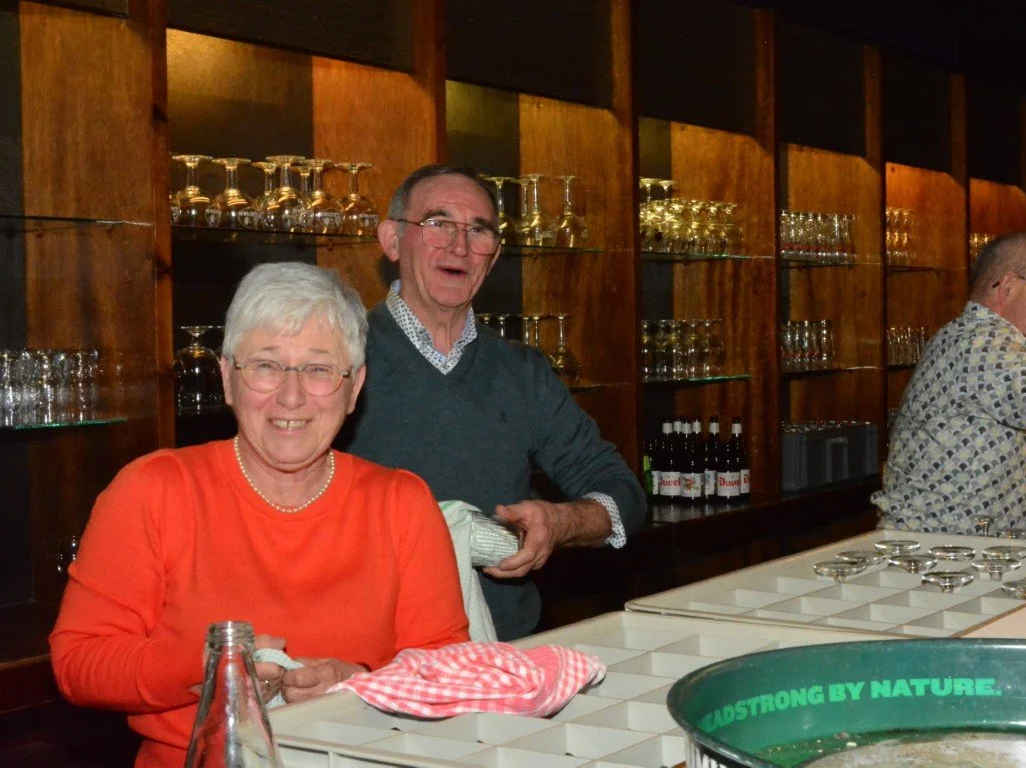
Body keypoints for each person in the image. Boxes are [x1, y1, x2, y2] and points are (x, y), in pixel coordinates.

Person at [50, 263, 469, 768]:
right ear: (228, 378)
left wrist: (358, 683)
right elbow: (78, 663)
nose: (290, 397)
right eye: (267, 366)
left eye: (319, 370)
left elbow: (446, 671)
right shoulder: (152, 490)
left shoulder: (401, 502)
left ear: (354, 387)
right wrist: (209, 667)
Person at [344, 164, 647, 641]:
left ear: (494, 256)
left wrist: (560, 522)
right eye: (439, 223)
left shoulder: (521, 370)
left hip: (507, 654)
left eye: (478, 231)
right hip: (373, 657)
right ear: (392, 240)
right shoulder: (336, 360)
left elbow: (622, 495)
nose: (459, 247)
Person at [872, 232, 1026, 537]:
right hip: (938, 558)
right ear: (1008, 287)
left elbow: (1025, 483)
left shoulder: (982, 349)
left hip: (965, 553)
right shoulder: (979, 344)